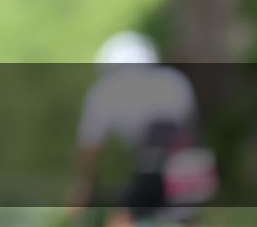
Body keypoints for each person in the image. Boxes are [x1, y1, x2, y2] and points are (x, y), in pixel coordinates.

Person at [70, 32, 216, 227]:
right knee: (190, 220)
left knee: (120, 222)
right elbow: (190, 126)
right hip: (196, 166)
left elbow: (91, 146)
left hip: (157, 169)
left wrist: (85, 186)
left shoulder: (104, 90)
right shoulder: (176, 80)